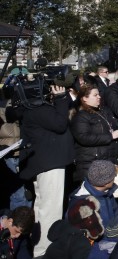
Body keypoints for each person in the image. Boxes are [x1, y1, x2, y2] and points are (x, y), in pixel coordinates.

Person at [13, 83, 76, 256]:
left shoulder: (32, 108)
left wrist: (61, 99)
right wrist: (61, 98)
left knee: (42, 208)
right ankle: (46, 250)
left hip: (45, 163)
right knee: (50, 210)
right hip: (49, 165)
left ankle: (40, 246)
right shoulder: (37, 109)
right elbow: (60, 124)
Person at [70, 82, 118, 181]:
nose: (99, 97)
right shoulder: (81, 116)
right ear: (84, 98)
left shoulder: (103, 112)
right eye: (95, 95)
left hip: (109, 159)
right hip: (92, 163)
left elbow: (113, 126)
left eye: (99, 94)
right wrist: (111, 136)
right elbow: (83, 138)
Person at [68, 160, 118, 227]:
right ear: (106, 182)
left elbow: (116, 215)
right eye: (113, 176)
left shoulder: (107, 192)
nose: (115, 178)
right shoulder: (82, 204)